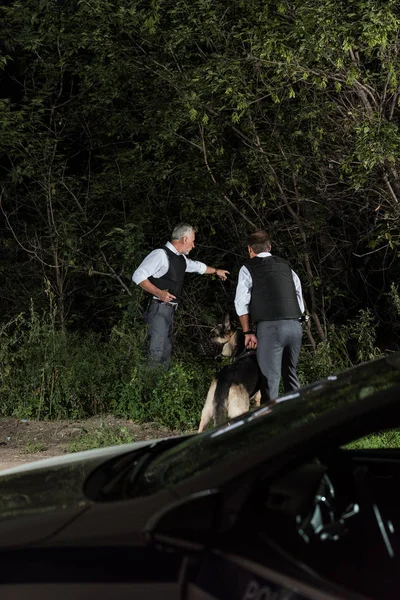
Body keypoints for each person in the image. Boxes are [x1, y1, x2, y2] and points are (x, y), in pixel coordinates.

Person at [132, 223, 229, 370]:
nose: (193, 245)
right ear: (185, 239)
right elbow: (138, 276)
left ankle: (159, 386)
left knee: (165, 351)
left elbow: (198, 267)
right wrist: (159, 292)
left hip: (169, 310)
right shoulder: (160, 255)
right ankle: (146, 387)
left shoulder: (181, 259)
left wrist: (216, 271)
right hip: (158, 308)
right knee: (155, 351)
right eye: (193, 241)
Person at [234, 229, 305, 403]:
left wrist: (247, 332)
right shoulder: (287, 267)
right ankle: (298, 419)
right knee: (290, 374)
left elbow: (241, 303)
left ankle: (270, 425)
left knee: (269, 380)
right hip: (295, 327)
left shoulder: (247, 268)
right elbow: (299, 297)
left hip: (270, 328)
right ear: (270, 247)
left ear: (250, 249)